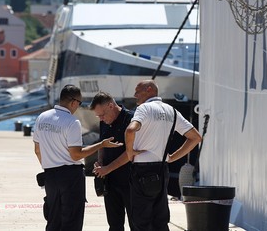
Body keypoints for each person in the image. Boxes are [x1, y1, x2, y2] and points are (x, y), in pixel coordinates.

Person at [33, 84, 122, 231]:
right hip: (70, 177)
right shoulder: (72, 122)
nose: (78, 107)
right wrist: (101, 145)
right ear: (74, 102)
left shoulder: (42, 117)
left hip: (50, 175)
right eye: (79, 103)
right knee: (72, 221)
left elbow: (37, 150)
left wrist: (48, 166)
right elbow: (76, 155)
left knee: (53, 219)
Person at [125, 79, 202, 231]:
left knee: (141, 219)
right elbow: (196, 137)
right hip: (162, 168)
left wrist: (130, 153)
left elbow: (130, 130)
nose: (134, 95)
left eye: (137, 91)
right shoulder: (171, 111)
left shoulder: (144, 109)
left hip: (141, 169)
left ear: (149, 90)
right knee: (160, 218)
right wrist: (172, 157)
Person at [89, 91, 134, 231]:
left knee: (136, 223)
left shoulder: (131, 120)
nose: (101, 119)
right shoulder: (104, 122)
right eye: (98, 116)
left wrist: (108, 168)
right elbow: (102, 144)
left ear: (110, 106)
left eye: (102, 115)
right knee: (114, 225)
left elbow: (130, 152)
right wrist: (100, 162)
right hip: (110, 182)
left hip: (130, 181)